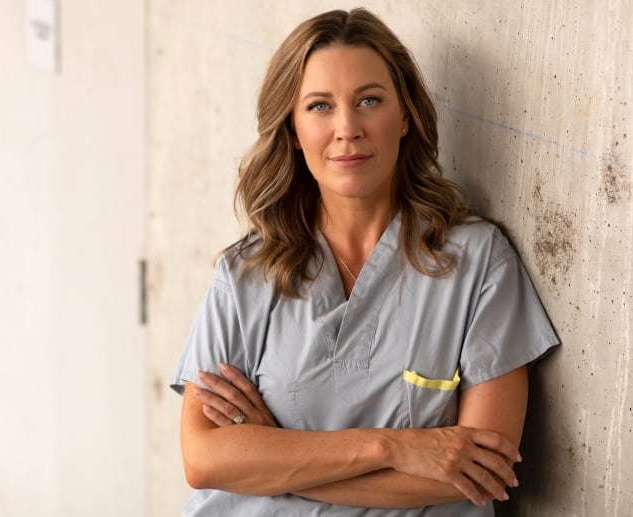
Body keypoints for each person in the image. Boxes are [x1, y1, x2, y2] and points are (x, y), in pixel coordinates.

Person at [170, 7, 559, 516]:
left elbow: (483, 470)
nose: (347, 128)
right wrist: (394, 447)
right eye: (319, 107)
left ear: (404, 117)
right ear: (292, 129)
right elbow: (203, 459)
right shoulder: (247, 274)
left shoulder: (478, 262)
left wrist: (275, 456)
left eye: (369, 100)